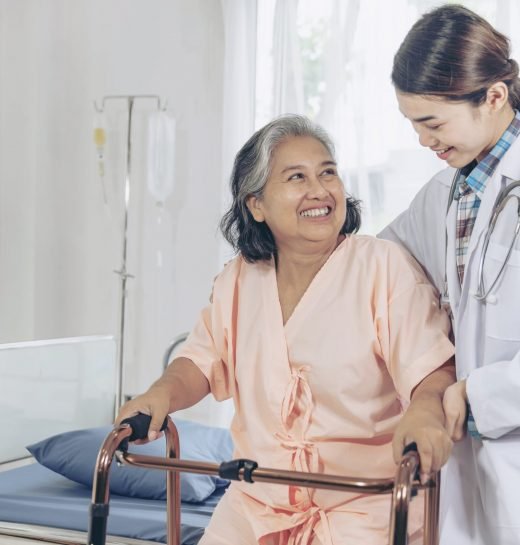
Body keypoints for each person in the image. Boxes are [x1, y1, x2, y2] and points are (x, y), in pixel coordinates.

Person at [117, 114, 455, 544]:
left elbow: (429, 367)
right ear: (256, 204)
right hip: (256, 503)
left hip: (359, 508)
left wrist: (426, 411)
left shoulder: (381, 267)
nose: (319, 190)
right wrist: (159, 394)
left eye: (327, 172)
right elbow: (201, 361)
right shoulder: (239, 279)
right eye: (297, 177)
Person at [379, 4, 520, 544]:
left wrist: (478, 395)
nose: (422, 140)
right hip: (470, 471)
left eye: (432, 122)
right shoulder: (447, 192)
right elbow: (376, 265)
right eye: (412, 123)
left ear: (493, 97)